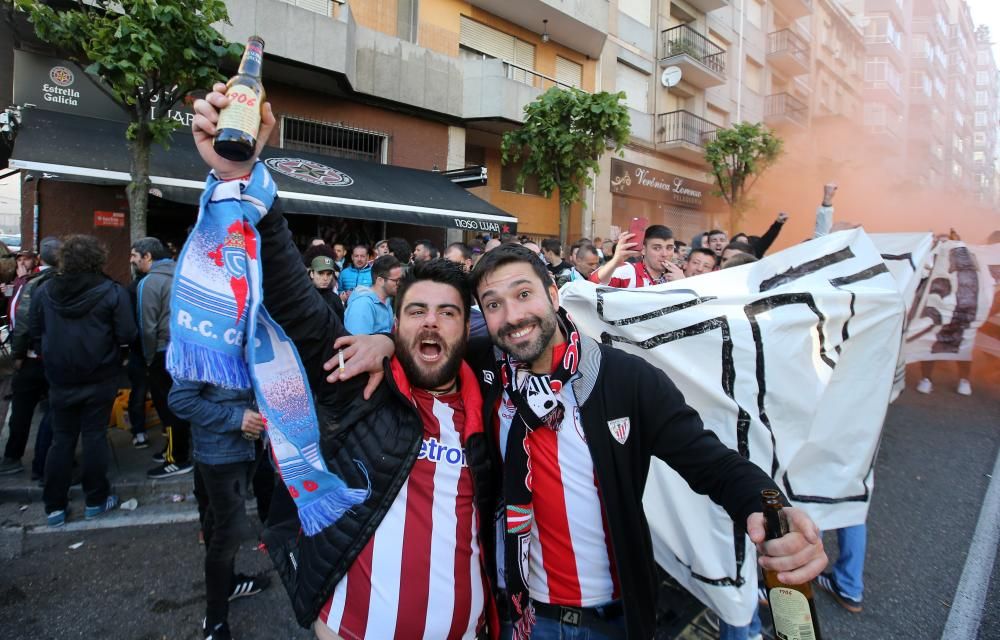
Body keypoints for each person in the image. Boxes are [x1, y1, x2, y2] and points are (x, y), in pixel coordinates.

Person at [191, 85, 495, 640]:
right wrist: (242, 177)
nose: (430, 322)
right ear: (393, 324)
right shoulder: (361, 384)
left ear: (467, 325)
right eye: (416, 311)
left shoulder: (494, 409)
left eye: (447, 313)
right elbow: (294, 300)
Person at [464, 244, 826, 638]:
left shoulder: (625, 378)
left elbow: (711, 461)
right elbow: (419, 352)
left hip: (612, 618)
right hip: (522, 614)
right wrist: (384, 343)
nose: (513, 316)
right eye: (494, 304)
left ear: (553, 294)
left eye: (523, 294)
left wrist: (763, 505)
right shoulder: (482, 369)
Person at [31, 235, 137, 527]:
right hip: (100, 374)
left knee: (61, 439)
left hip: (59, 377)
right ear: (97, 258)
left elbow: (35, 332)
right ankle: (95, 499)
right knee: (94, 435)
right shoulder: (112, 292)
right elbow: (128, 333)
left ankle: (54, 507)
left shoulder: (44, 291)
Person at [168, 379, 272, 640]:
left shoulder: (256, 337)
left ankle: (229, 583)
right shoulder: (202, 342)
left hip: (251, 446)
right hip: (220, 452)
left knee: (218, 520)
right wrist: (237, 418)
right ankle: (215, 622)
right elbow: (180, 400)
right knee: (228, 533)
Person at [132, 237, 195, 479]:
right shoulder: (182, 275)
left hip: (161, 351)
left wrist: (148, 358)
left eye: (135, 255)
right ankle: (175, 450)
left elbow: (147, 326)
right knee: (180, 401)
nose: (132, 260)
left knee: (169, 406)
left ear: (147, 256)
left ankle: (176, 457)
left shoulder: (149, 283)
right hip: (183, 348)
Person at [0, 237, 60, 478]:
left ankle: (15, 456)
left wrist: (18, 354)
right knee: (53, 411)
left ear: (39, 258)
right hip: (54, 359)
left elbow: (23, 320)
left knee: (23, 409)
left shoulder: (34, 284)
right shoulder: (41, 282)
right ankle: (46, 460)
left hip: (32, 358)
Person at [591, 225, 685, 287]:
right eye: (657, 248)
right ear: (643, 250)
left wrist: (684, 285)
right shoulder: (629, 271)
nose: (664, 254)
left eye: (669, 248)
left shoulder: (678, 277)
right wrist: (615, 261)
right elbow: (592, 284)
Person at [343, 255, 401, 335]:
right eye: (396, 280)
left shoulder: (386, 301)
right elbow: (359, 343)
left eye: (401, 279)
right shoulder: (362, 305)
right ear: (380, 281)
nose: (400, 283)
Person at [306, 253, 345, 321]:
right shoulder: (303, 297)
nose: (325, 278)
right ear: (312, 274)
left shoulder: (335, 299)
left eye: (329, 274)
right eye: (320, 273)